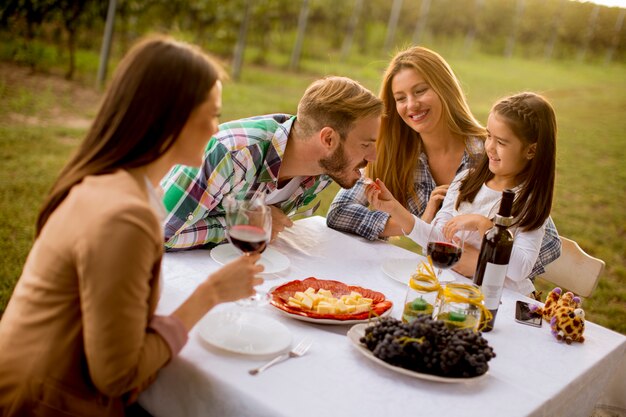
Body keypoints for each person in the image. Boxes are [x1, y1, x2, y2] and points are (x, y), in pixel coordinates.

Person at [0, 36, 264, 416]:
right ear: (169, 117)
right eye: (213, 115)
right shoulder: (126, 216)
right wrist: (209, 295)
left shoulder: (112, 181)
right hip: (47, 403)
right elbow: (118, 376)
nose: (216, 131)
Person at [326, 46, 560, 281]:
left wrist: (479, 255)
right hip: (439, 277)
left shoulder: (488, 154)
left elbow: (548, 243)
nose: (411, 105)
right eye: (400, 98)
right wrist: (416, 222)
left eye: (420, 91)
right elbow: (339, 212)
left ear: (443, 89)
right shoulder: (393, 155)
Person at [366, 92, 557, 296]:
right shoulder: (466, 180)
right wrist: (394, 208)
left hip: (502, 300)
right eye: (489, 136)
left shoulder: (529, 204)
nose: (490, 147)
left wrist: (483, 226)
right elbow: (437, 239)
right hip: (456, 289)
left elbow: (520, 270)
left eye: (501, 142)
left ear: (530, 151)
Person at [161, 75, 383, 250]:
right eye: (366, 145)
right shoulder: (231, 155)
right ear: (328, 139)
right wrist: (243, 224)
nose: (373, 156)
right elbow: (159, 234)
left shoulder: (324, 170)